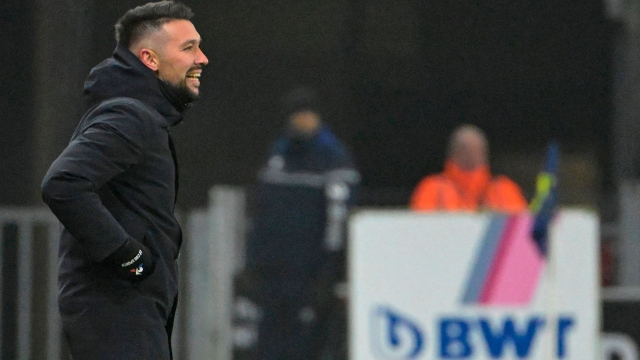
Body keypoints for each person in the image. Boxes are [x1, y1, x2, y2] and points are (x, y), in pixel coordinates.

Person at [40, 2, 208, 359]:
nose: (202, 58)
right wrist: (132, 259)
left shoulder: (135, 112)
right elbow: (63, 183)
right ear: (150, 59)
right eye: (188, 48)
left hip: (121, 309)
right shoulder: (130, 115)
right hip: (116, 306)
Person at [238, 87, 360, 360]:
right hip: (274, 275)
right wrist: (253, 263)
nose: (303, 123)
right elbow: (262, 214)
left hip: (310, 276)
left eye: (308, 116)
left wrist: (329, 273)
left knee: (306, 347)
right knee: (269, 346)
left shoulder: (332, 157)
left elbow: (338, 221)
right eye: (298, 116)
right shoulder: (278, 155)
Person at [410, 124, 528, 213]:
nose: (471, 154)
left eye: (476, 149)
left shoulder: (504, 189)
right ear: (452, 152)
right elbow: (420, 229)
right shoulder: (432, 189)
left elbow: (520, 229)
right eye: (464, 148)